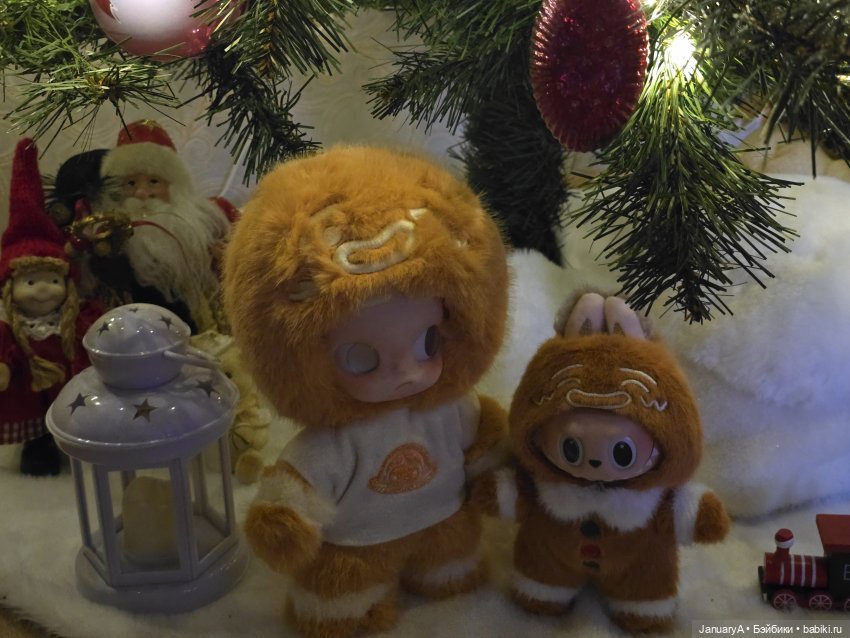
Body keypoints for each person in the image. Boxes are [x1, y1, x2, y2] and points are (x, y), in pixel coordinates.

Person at [0, 139, 102, 476]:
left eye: (53, 279)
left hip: (74, 395)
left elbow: (96, 335)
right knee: (37, 423)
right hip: (35, 396)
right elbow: (6, 353)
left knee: (80, 415)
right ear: (10, 289)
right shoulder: (12, 330)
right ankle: (39, 446)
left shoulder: (76, 317)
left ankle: (80, 439)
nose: (43, 288)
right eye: (30, 281)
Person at [89, 120, 234, 332]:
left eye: (154, 182)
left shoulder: (206, 223)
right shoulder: (113, 233)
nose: (142, 193)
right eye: (131, 183)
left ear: (174, 186)